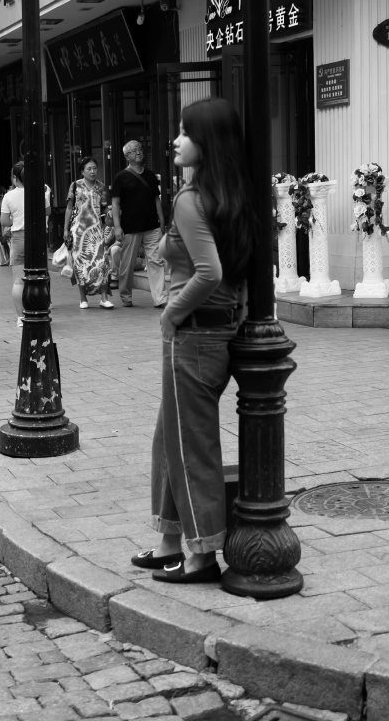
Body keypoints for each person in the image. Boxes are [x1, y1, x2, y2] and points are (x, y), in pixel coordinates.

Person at [131, 99, 253, 585]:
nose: (175, 140)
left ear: (208, 142)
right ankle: (168, 542)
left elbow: (210, 272)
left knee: (190, 447)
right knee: (171, 436)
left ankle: (202, 555)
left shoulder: (190, 198)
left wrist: (172, 314)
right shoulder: (232, 194)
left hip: (194, 334)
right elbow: (239, 274)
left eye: (185, 132)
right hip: (219, 332)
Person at [111, 140, 167, 308]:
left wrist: (161, 219)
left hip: (152, 225)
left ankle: (160, 298)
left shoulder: (150, 175)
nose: (138, 152)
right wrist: (117, 226)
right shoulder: (121, 177)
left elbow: (156, 199)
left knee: (156, 261)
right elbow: (115, 203)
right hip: (131, 226)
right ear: (126, 156)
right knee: (127, 263)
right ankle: (126, 294)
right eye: (134, 151)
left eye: (140, 149)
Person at [0, 163, 51, 327]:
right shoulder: (37, 192)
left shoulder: (8, 196)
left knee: (18, 281)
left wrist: (16, 219)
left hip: (19, 238)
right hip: (37, 238)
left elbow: (4, 221)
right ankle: (41, 309)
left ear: (15, 178)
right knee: (41, 277)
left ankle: (20, 317)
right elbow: (48, 211)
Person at [63, 158, 114, 310]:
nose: (92, 171)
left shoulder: (101, 187)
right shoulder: (75, 186)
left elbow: (104, 207)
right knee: (80, 265)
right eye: (89, 169)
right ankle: (83, 298)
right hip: (79, 231)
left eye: (95, 168)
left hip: (96, 230)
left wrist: (109, 213)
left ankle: (104, 298)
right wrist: (65, 229)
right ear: (82, 171)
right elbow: (69, 208)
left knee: (102, 263)